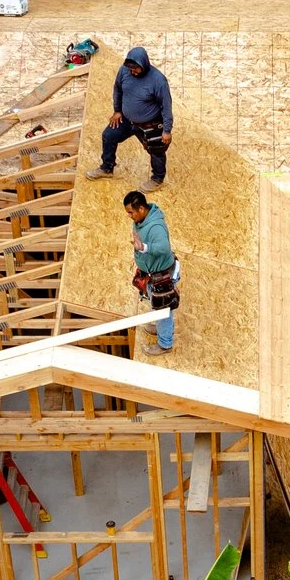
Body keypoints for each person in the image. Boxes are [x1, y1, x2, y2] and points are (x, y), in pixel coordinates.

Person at [100, 46, 173, 184]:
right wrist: (117, 110)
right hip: (127, 120)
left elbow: (166, 106)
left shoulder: (158, 81)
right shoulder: (124, 71)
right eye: (130, 68)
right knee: (108, 135)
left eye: (135, 68)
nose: (132, 71)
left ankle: (157, 179)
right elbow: (117, 88)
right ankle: (107, 168)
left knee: (156, 150)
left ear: (143, 64)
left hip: (150, 123)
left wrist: (167, 130)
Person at [123, 191, 178, 353]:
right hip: (153, 275)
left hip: (162, 278)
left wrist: (144, 248)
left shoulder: (155, 227)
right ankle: (162, 329)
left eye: (131, 212)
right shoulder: (142, 220)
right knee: (159, 309)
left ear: (141, 209)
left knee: (163, 312)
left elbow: (164, 248)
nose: (129, 216)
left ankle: (165, 344)